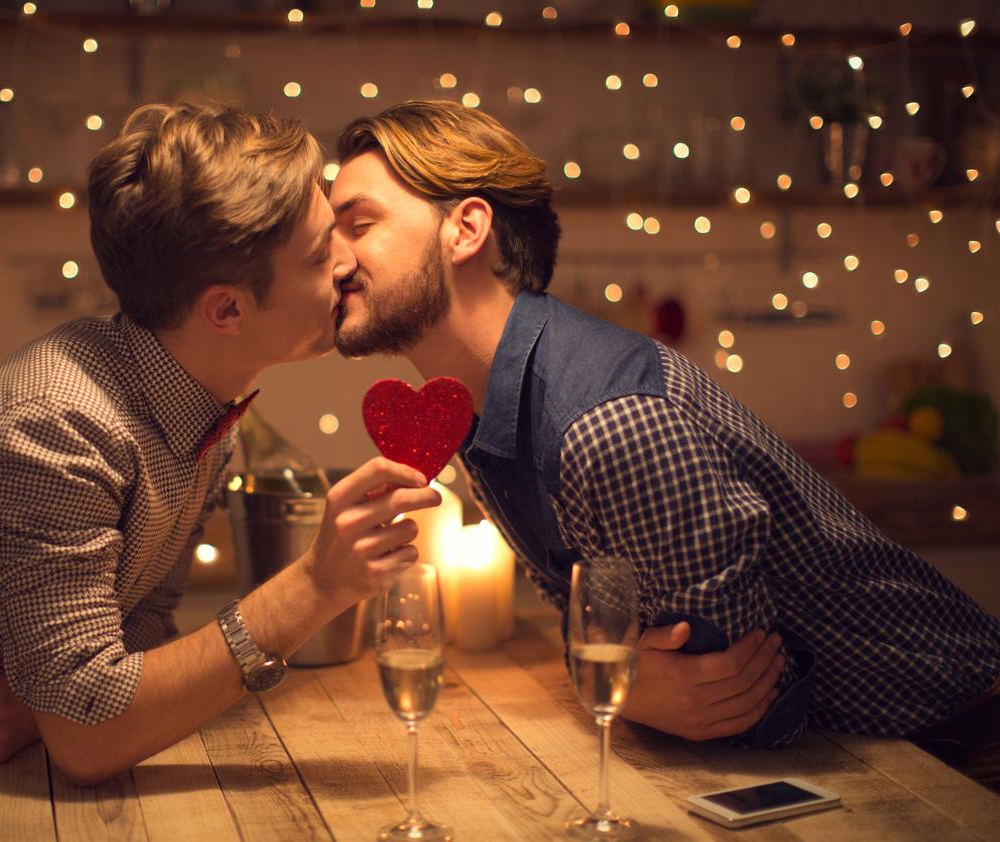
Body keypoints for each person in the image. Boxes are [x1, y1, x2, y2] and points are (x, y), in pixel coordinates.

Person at [0, 101, 440, 842]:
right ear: (225, 310)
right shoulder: (59, 429)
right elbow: (87, 741)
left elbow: (135, 632)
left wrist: (40, 707)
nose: (345, 263)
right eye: (316, 256)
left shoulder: (202, 406)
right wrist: (317, 585)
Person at [327, 99, 1000, 764]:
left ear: (465, 229)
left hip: (963, 748)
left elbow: (733, 706)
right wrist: (617, 673)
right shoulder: (490, 408)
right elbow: (595, 626)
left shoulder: (606, 425)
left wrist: (621, 680)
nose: (333, 260)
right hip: (871, 759)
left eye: (357, 225)